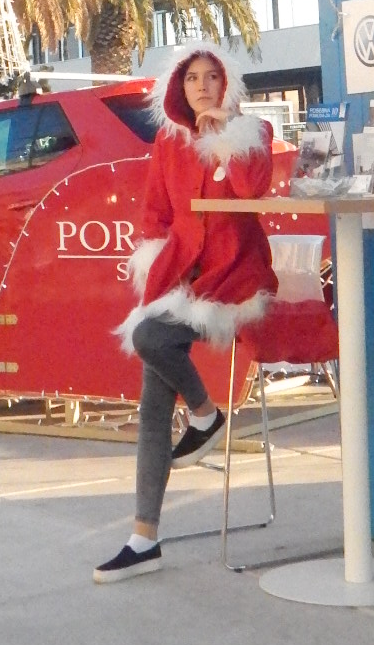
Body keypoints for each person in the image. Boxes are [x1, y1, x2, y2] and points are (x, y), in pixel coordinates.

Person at [94, 45, 278, 583]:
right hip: (181, 277)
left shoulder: (253, 132)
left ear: (227, 84)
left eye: (211, 76)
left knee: (149, 337)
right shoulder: (167, 142)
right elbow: (155, 212)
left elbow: (252, 188)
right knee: (153, 390)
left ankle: (204, 414)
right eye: (192, 77)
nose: (201, 86)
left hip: (235, 279)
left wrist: (225, 137)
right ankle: (143, 538)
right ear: (179, 87)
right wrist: (160, 261)